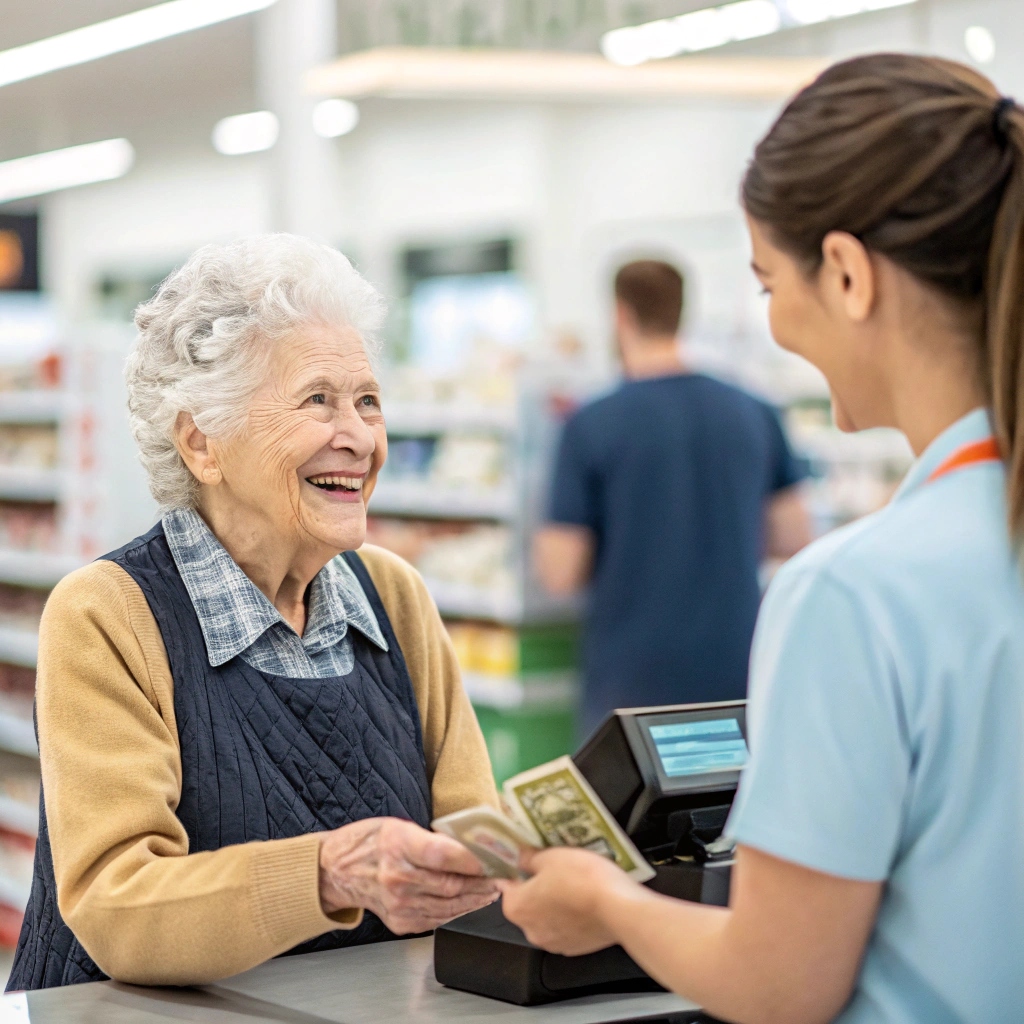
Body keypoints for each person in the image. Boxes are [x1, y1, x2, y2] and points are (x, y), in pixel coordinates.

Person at [501, 55, 1024, 1023]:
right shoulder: (764, 431)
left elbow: (780, 979)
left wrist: (605, 900)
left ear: (848, 273)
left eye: (768, 281)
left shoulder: (856, 596)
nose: (773, 321)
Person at [8, 235, 501, 991]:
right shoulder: (109, 615)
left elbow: (473, 839)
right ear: (203, 443)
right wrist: (329, 873)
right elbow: (116, 903)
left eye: (368, 400)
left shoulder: (394, 597)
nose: (361, 438)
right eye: (317, 401)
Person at [535, 259, 812, 735]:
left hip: (631, 688)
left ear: (620, 315)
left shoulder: (592, 423)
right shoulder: (754, 411)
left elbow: (560, 572)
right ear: (682, 311)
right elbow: (794, 535)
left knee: (625, 810)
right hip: (738, 675)